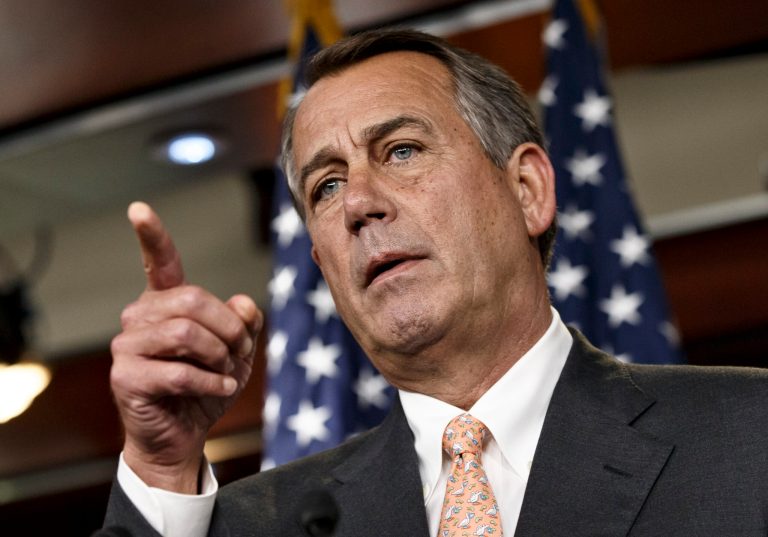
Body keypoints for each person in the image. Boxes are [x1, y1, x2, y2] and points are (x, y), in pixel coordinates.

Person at [104, 29, 768, 536]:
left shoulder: (748, 437)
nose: (360, 203)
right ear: (322, 261)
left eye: (401, 150)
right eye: (326, 185)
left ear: (528, 189)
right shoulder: (250, 523)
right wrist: (161, 464)